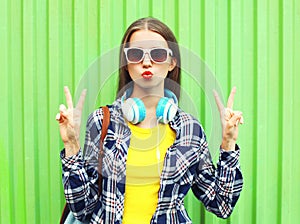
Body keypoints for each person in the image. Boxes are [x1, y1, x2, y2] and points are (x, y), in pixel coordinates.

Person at [56, 17, 244, 224]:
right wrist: (71, 145)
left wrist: (228, 143)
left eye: (158, 53)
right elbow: (83, 209)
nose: (146, 62)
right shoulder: (101, 121)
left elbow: (221, 204)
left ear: (172, 62)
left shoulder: (190, 129)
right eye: (136, 54)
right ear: (126, 64)